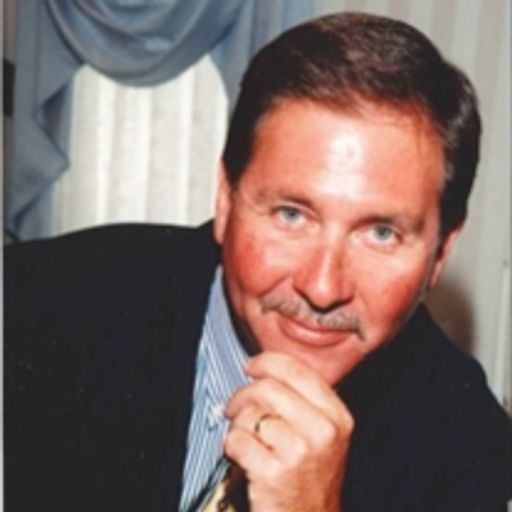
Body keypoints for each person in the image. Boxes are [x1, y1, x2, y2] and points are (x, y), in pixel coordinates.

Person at [5, 11, 511, 512]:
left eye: (381, 233)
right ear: (225, 201)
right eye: (291, 215)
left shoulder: (466, 448)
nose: (323, 287)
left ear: (441, 252)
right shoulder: (32, 308)